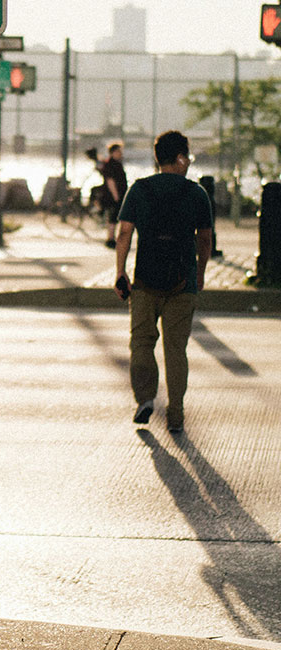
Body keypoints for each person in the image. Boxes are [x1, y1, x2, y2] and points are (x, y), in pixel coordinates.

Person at [114, 130, 213, 433]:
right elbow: (205, 238)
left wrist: (121, 272)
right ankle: (176, 413)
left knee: (142, 342)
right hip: (182, 281)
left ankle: (145, 398)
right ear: (181, 158)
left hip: (144, 280)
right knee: (175, 349)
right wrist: (200, 272)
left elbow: (124, 233)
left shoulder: (139, 189)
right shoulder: (196, 193)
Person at [102, 142, 129, 248]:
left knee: (114, 217)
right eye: (118, 151)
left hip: (117, 194)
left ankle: (112, 238)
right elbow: (110, 181)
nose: (120, 153)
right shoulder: (111, 164)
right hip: (113, 196)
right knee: (113, 217)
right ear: (113, 152)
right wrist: (116, 196)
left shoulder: (115, 163)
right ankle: (111, 238)